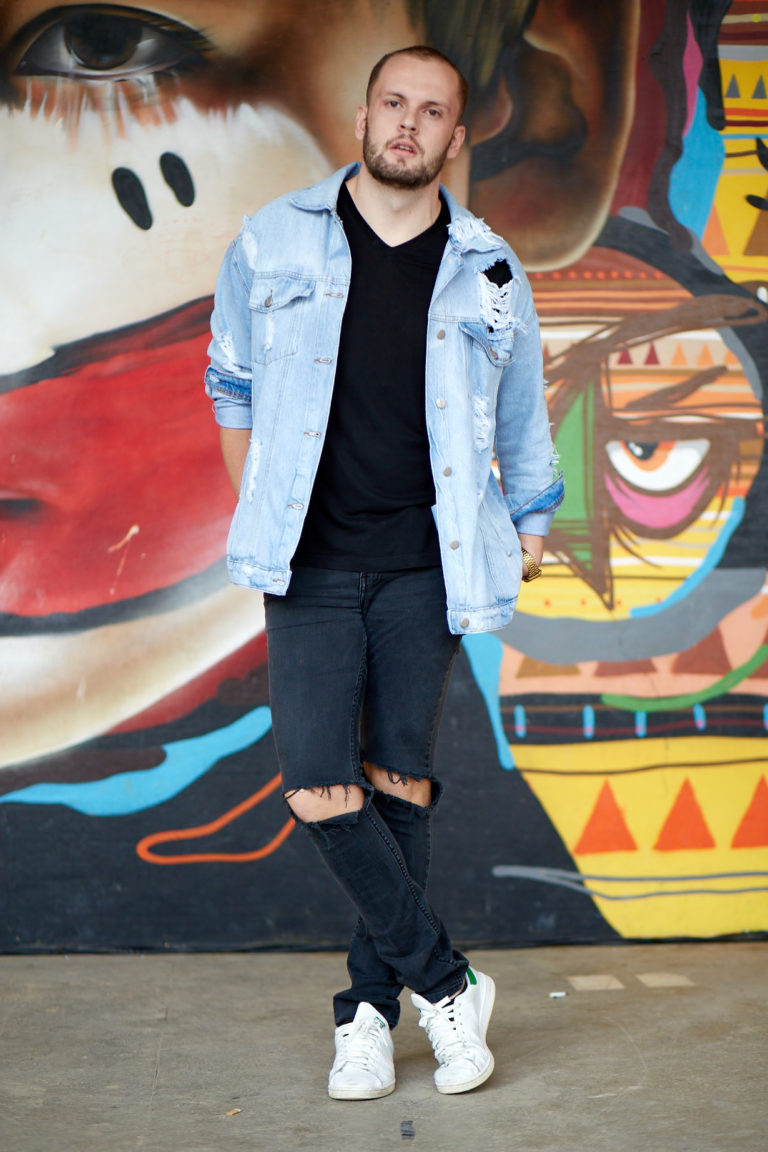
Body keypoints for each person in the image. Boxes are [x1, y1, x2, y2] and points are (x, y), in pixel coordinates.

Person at [205, 45, 563, 1100]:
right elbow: (232, 387)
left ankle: (366, 1015)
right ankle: (449, 985)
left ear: (458, 135)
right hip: (311, 561)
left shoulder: (490, 269)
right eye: (394, 103)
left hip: (426, 565)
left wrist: (532, 525)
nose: (409, 123)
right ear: (364, 117)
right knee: (320, 785)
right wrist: (261, 506)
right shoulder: (273, 239)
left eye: (432, 111)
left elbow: (520, 416)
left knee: (400, 783)